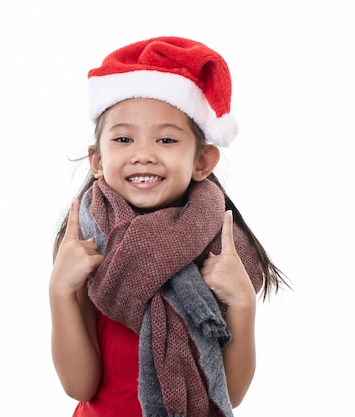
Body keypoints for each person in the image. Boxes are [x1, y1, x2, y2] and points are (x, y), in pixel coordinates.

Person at [49, 36, 287, 417]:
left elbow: (230, 394)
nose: (143, 154)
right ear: (97, 160)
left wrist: (242, 303)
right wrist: (61, 290)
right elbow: (80, 385)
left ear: (202, 161)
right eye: (124, 138)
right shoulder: (89, 240)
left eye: (166, 139)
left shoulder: (221, 249)